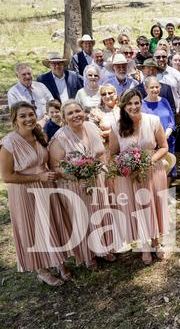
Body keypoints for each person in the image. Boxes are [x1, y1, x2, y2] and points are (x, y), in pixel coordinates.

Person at [0, 102, 77, 286]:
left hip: (46, 186)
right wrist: (38, 176)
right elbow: (7, 177)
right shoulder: (9, 143)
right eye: (23, 116)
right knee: (34, 230)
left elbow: (48, 161)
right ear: (15, 119)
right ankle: (41, 269)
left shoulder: (39, 134)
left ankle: (59, 261)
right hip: (25, 192)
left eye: (31, 114)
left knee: (52, 223)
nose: (28, 119)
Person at [49, 100, 118, 270]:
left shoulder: (91, 127)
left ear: (83, 112)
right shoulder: (60, 138)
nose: (75, 115)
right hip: (75, 185)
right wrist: (77, 173)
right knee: (83, 220)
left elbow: (102, 152)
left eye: (78, 111)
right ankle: (89, 255)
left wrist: (106, 171)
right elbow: (55, 166)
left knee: (101, 212)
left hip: (98, 179)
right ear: (64, 118)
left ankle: (104, 247)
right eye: (70, 113)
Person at [108, 89, 170, 265]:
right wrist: (125, 165)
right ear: (124, 106)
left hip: (152, 170)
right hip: (130, 175)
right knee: (138, 208)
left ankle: (156, 242)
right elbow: (112, 154)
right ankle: (144, 245)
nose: (134, 106)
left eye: (137, 103)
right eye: (130, 104)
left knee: (153, 205)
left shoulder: (153, 121)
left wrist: (150, 161)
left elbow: (163, 147)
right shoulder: (116, 126)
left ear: (141, 103)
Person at [141, 77, 176, 183]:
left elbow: (171, 120)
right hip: (153, 144)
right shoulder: (142, 105)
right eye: (152, 87)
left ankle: (167, 194)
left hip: (168, 140)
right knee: (156, 170)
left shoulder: (164, 101)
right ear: (145, 88)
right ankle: (156, 195)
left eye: (157, 87)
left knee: (169, 168)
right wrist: (158, 140)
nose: (155, 89)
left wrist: (165, 136)